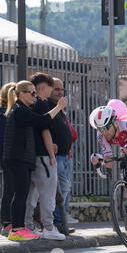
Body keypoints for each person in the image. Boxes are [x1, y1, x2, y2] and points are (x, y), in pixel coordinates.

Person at [3, 81, 67, 241]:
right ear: (22, 94)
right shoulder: (20, 111)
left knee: (22, 194)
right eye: (32, 93)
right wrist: (58, 107)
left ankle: (21, 227)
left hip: (21, 159)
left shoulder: (23, 110)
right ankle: (16, 229)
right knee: (20, 194)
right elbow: (42, 121)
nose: (35, 97)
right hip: (17, 158)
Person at [24, 73, 66, 241]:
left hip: (33, 156)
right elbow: (45, 131)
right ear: (43, 87)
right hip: (43, 156)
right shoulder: (41, 104)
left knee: (32, 195)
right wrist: (51, 155)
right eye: (51, 87)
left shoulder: (31, 104)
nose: (52, 91)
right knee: (47, 194)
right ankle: (48, 227)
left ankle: (28, 225)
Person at [49, 78, 77, 235]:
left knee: (66, 189)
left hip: (65, 154)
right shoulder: (50, 106)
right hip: (56, 155)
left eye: (61, 89)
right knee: (62, 188)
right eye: (56, 89)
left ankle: (62, 221)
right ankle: (57, 221)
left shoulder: (61, 108)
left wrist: (69, 146)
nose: (60, 92)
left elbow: (66, 128)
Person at [0, 82, 16, 236]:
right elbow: (1, 138)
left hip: (10, 156)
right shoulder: (2, 113)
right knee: (9, 189)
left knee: (13, 189)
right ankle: (6, 223)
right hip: (8, 157)